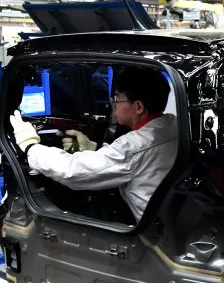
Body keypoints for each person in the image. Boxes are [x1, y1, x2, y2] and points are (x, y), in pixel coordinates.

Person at [9, 66, 179, 223]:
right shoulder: (175, 126)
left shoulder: (135, 146)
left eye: (117, 99)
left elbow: (74, 172)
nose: (114, 106)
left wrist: (30, 146)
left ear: (138, 107)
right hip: (171, 221)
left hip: (152, 236)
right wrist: (94, 149)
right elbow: (123, 162)